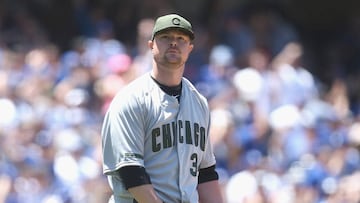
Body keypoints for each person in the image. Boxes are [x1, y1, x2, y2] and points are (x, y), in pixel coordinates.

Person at [101, 13, 224, 203]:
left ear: (190, 48)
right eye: (166, 37)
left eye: (181, 38)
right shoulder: (131, 99)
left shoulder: (198, 103)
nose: (174, 43)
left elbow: (205, 172)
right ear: (151, 45)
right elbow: (131, 173)